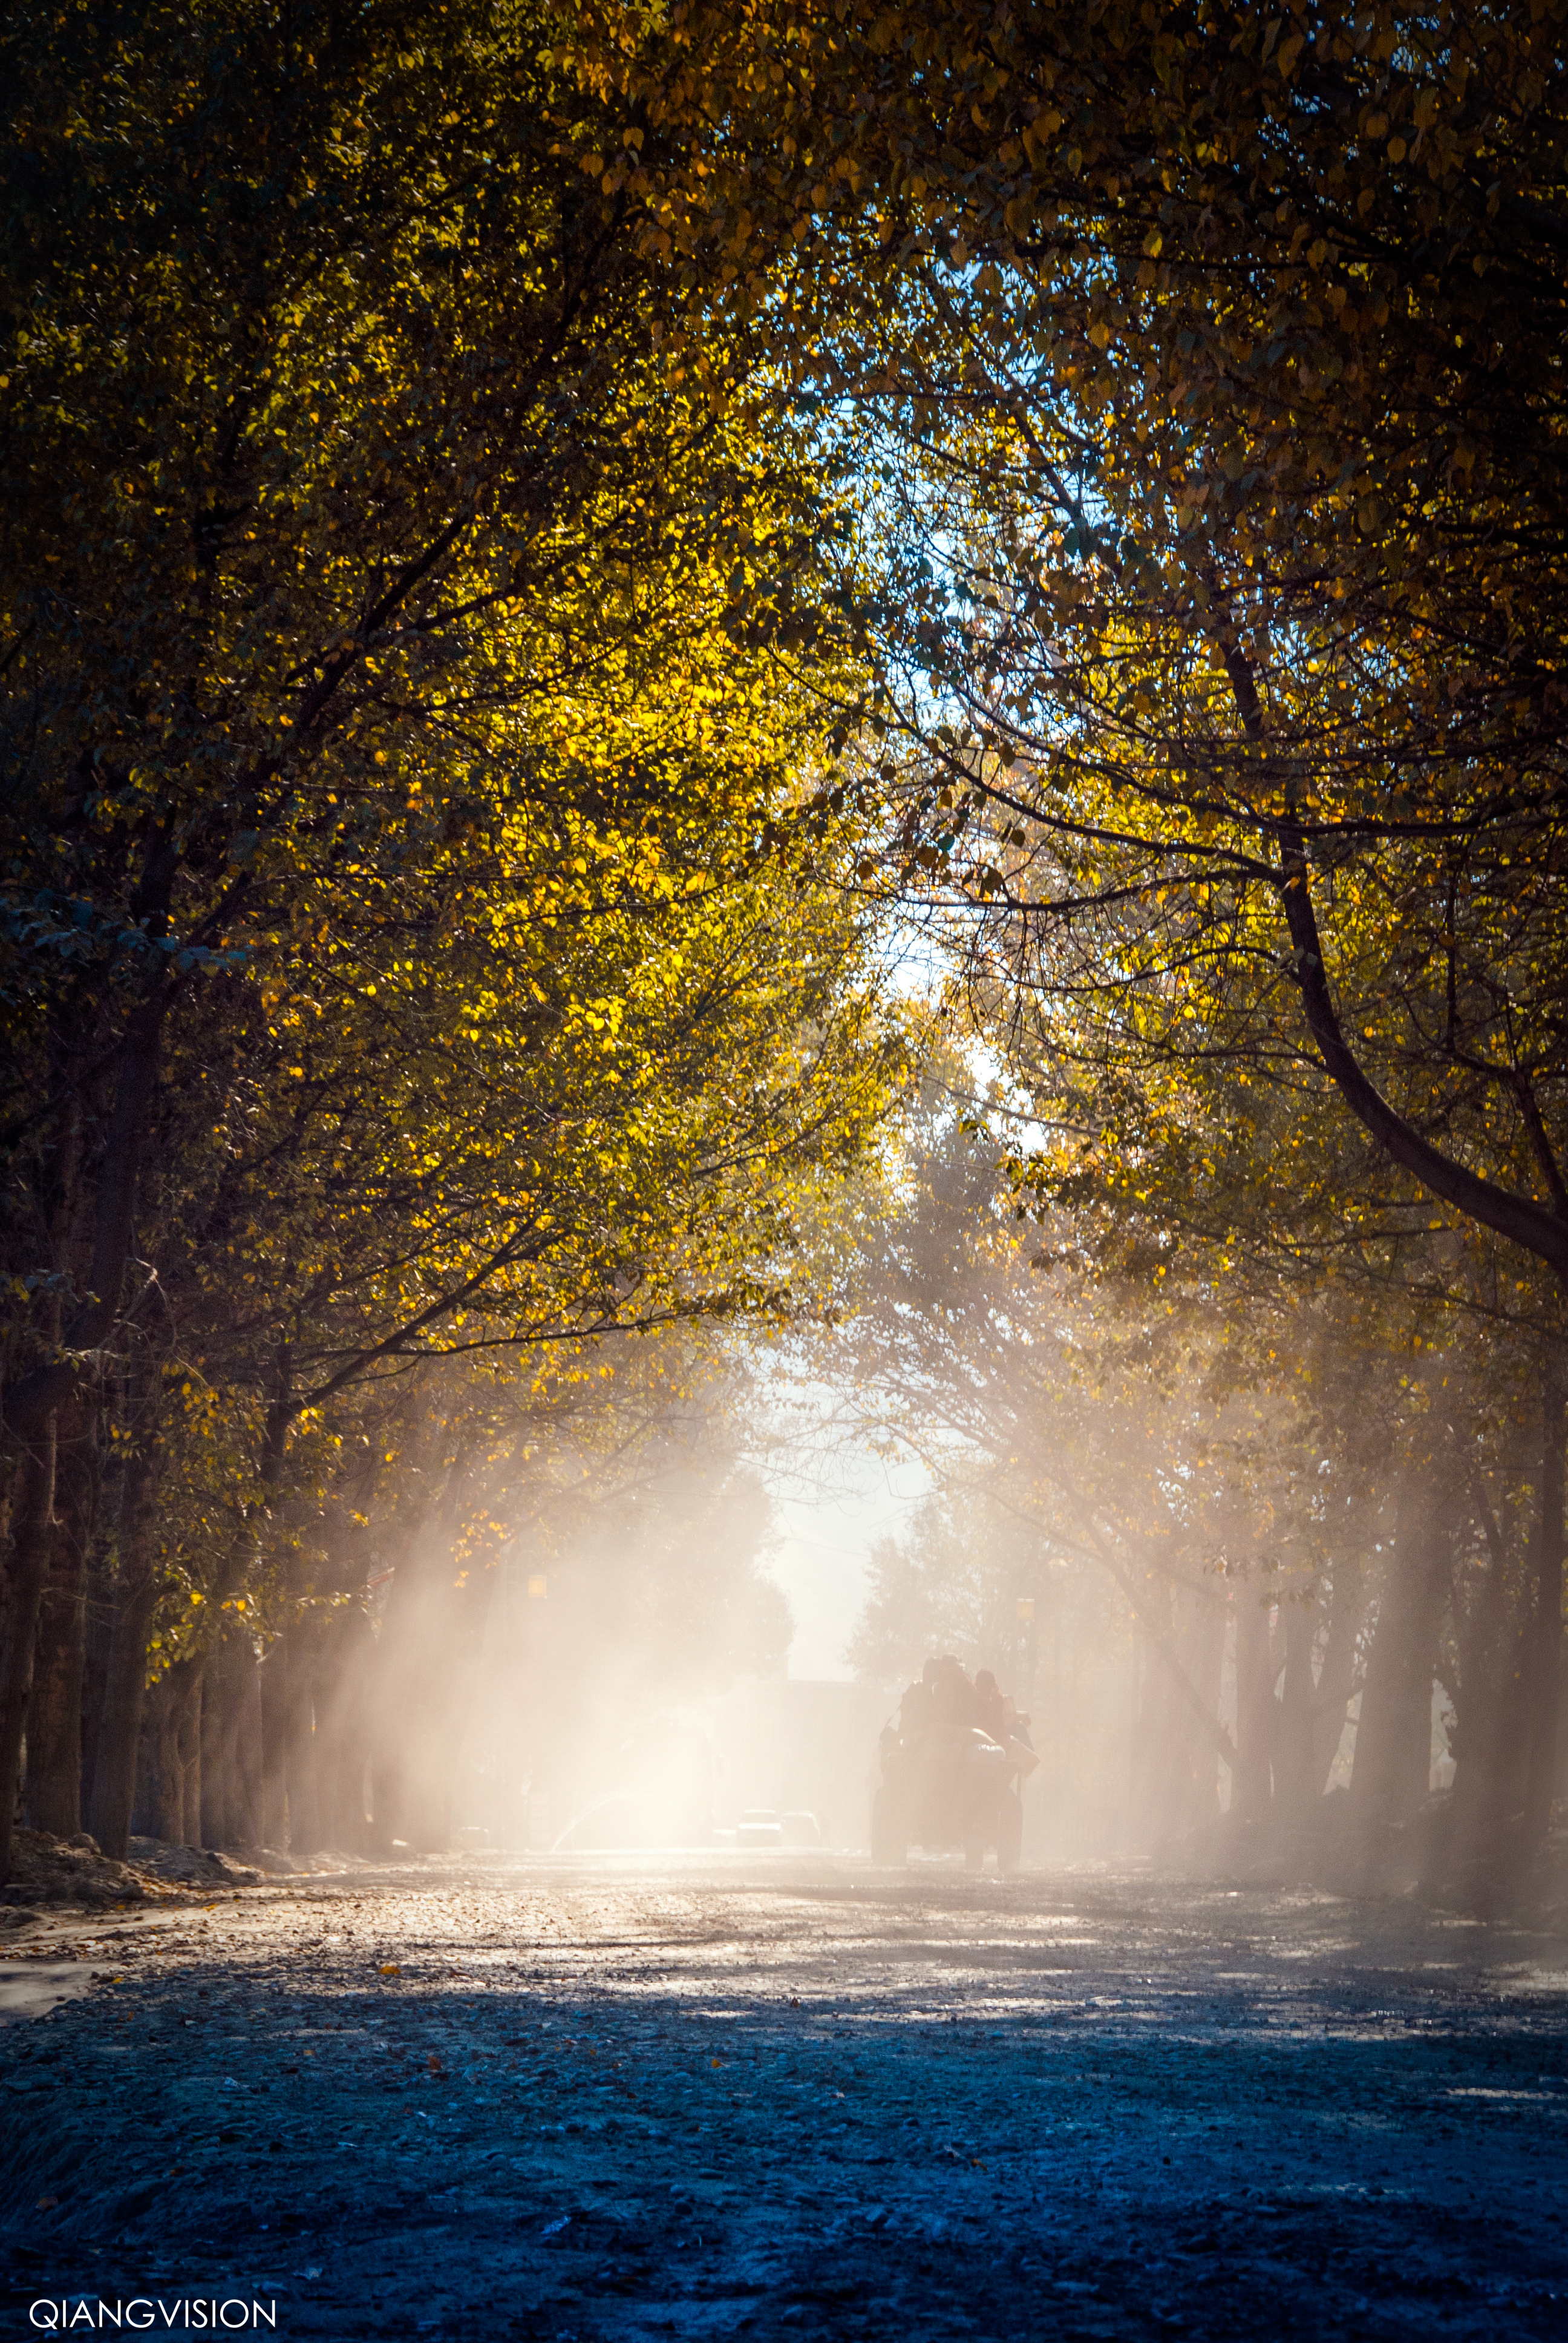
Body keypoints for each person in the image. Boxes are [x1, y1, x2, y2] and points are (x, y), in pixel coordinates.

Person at [974, 1668, 1006, 1746]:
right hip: (994, 1738)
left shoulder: (972, 1695)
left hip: (988, 1736)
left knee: (1019, 1726)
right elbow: (998, 1723)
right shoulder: (996, 1699)